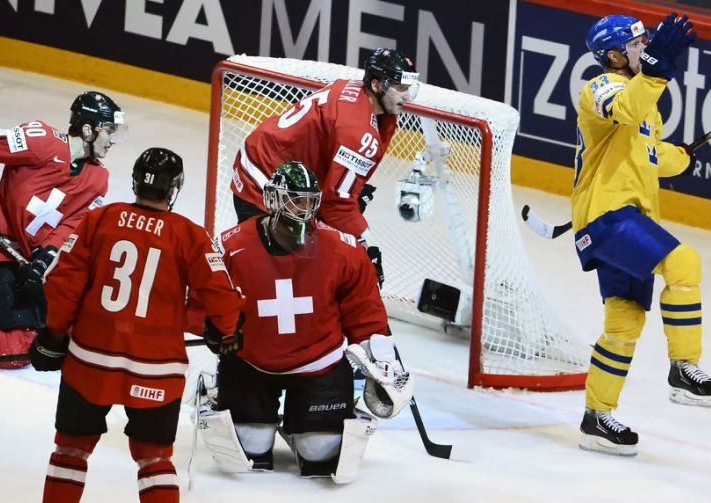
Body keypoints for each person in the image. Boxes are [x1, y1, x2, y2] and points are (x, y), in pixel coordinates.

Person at [26, 148, 244, 502]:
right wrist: (226, 331)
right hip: (157, 368)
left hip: (90, 361)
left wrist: (53, 334)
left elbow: (62, 283)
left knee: (70, 451)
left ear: (135, 182)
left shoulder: (101, 219)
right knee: (154, 458)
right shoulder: (189, 234)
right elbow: (221, 295)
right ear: (173, 189)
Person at [197, 161, 414, 484]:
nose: (302, 208)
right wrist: (211, 327)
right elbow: (208, 298)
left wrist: (383, 360)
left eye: (309, 200)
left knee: (320, 453)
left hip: (319, 364)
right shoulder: (231, 245)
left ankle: (304, 424)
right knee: (249, 449)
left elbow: (364, 310)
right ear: (272, 199)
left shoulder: (343, 249)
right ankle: (224, 396)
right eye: (294, 198)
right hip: (251, 363)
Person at [572, 13, 711, 456]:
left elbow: (650, 154)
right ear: (614, 55)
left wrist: (679, 156)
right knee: (683, 263)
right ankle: (684, 368)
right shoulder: (600, 88)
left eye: (646, 43)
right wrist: (657, 68)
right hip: (608, 216)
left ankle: (596, 418)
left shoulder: (644, 101)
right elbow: (627, 107)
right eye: (637, 45)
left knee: (624, 320)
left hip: (628, 217)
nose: (645, 50)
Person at [0, 91, 126, 368]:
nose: (114, 140)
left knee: (65, 334)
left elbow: (72, 225)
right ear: (88, 129)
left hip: (30, 266)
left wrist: (48, 255)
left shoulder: (98, 179)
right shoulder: (41, 141)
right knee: (19, 348)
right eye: (110, 130)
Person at [229, 48, 419, 284]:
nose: (407, 97)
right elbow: (337, 205)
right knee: (271, 279)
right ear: (378, 85)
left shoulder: (355, 92)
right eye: (400, 88)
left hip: (270, 162)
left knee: (296, 271)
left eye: (408, 88)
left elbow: (334, 188)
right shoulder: (358, 131)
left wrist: (347, 191)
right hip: (263, 179)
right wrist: (365, 248)